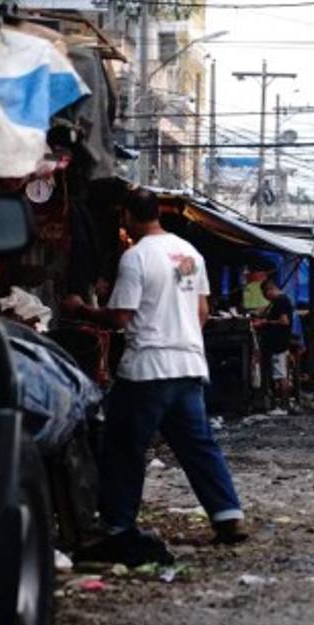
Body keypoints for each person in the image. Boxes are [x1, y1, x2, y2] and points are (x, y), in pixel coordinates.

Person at [64, 188, 246, 566]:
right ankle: (228, 514)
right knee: (198, 444)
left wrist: (82, 310)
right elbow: (202, 310)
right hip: (190, 364)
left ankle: (117, 527)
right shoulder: (190, 253)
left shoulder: (136, 257)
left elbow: (120, 317)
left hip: (148, 367)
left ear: (128, 216)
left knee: (123, 447)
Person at [254, 276, 294, 414]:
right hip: (275, 343)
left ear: (270, 290)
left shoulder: (281, 301)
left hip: (279, 343)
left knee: (281, 374)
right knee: (279, 373)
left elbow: (284, 321)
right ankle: (280, 405)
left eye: (265, 294)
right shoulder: (277, 302)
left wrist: (266, 323)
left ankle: (283, 406)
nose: (266, 297)